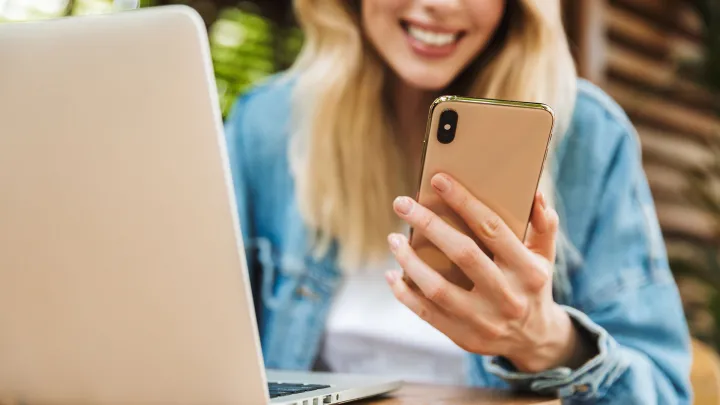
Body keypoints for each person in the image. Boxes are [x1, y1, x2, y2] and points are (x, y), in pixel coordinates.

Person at [223, 0, 692, 403]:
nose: (442, 5)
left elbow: (665, 391)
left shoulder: (589, 136)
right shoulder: (267, 126)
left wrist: (547, 340)